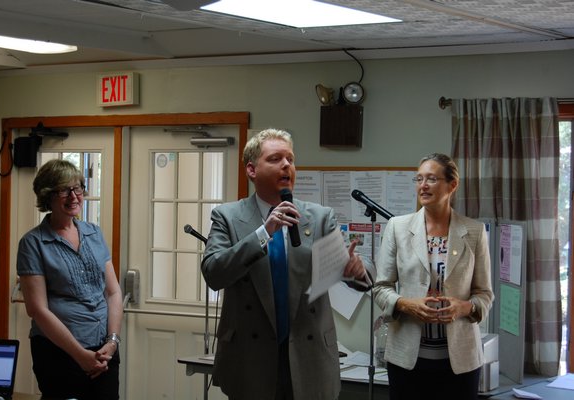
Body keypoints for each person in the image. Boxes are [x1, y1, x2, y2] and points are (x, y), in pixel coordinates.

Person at [201, 128, 371, 400]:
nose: (286, 165)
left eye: (290, 159)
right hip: (249, 358)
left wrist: (358, 271)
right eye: (275, 158)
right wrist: (263, 232)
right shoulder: (228, 217)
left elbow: (355, 267)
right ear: (251, 170)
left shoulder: (318, 217)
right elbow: (213, 272)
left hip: (309, 357)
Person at [373, 153, 494, 400]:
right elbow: (381, 287)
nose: (423, 185)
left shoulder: (474, 231)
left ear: (452, 185)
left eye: (431, 179)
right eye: (419, 179)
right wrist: (405, 303)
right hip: (407, 361)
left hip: (459, 362)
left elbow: (485, 293)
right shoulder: (397, 227)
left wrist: (465, 307)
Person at [17, 159, 123, 400]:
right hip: (59, 354)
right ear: (47, 196)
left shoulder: (94, 233)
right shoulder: (33, 243)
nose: (74, 196)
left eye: (78, 188)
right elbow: (37, 310)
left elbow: (114, 292)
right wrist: (80, 355)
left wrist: (113, 341)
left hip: (105, 351)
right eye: (64, 190)